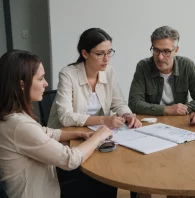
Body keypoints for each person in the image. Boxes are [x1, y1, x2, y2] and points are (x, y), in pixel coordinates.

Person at [0, 50, 117, 198]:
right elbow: (71, 160)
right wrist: (98, 137)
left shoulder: (11, 116)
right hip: (40, 192)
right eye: (41, 78)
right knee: (104, 183)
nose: (46, 84)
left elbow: (45, 132)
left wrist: (80, 134)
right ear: (22, 85)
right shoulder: (19, 125)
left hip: (42, 180)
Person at [48, 28, 142, 129]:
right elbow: (65, 117)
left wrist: (127, 115)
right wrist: (103, 120)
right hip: (67, 134)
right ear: (85, 54)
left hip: (96, 132)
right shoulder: (67, 75)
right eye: (100, 54)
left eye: (109, 52)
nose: (106, 59)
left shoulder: (109, 72)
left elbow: (118, 103)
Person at [128, 26, 195, 125]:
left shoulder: (187, 65)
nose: (160, 57)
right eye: (156, 50)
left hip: (180, 124)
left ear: (176, 50)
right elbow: (134, 103)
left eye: (166, 51)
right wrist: (167, 109)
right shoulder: (143, 66)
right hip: (151, 124)